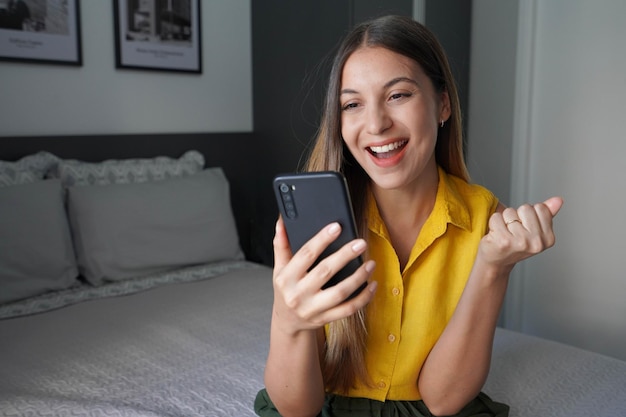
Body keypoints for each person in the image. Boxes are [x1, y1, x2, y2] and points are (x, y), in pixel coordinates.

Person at [255, 14, 563, 417]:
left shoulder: (486, 220)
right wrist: (288, 319)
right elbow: (296, 409)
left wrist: (493, 268)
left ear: (443, 104)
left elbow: (442, 400)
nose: (377, 124)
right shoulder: (315, 220)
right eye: (352, 104)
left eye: (398, 95)